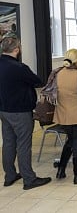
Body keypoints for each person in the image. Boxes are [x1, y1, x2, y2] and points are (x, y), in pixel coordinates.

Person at [0, 35, 52, 190]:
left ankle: (9, 176)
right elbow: (38, 81)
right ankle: (29, 179)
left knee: (8, 143)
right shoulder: (19, 68)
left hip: (3, 110)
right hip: (20, 111)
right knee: (23, 145)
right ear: (17, 49)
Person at [44, 49, 77, 185]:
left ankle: (61, 170)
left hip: (63, 115)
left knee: (70, 141)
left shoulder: (56, 73)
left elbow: (49, 91)